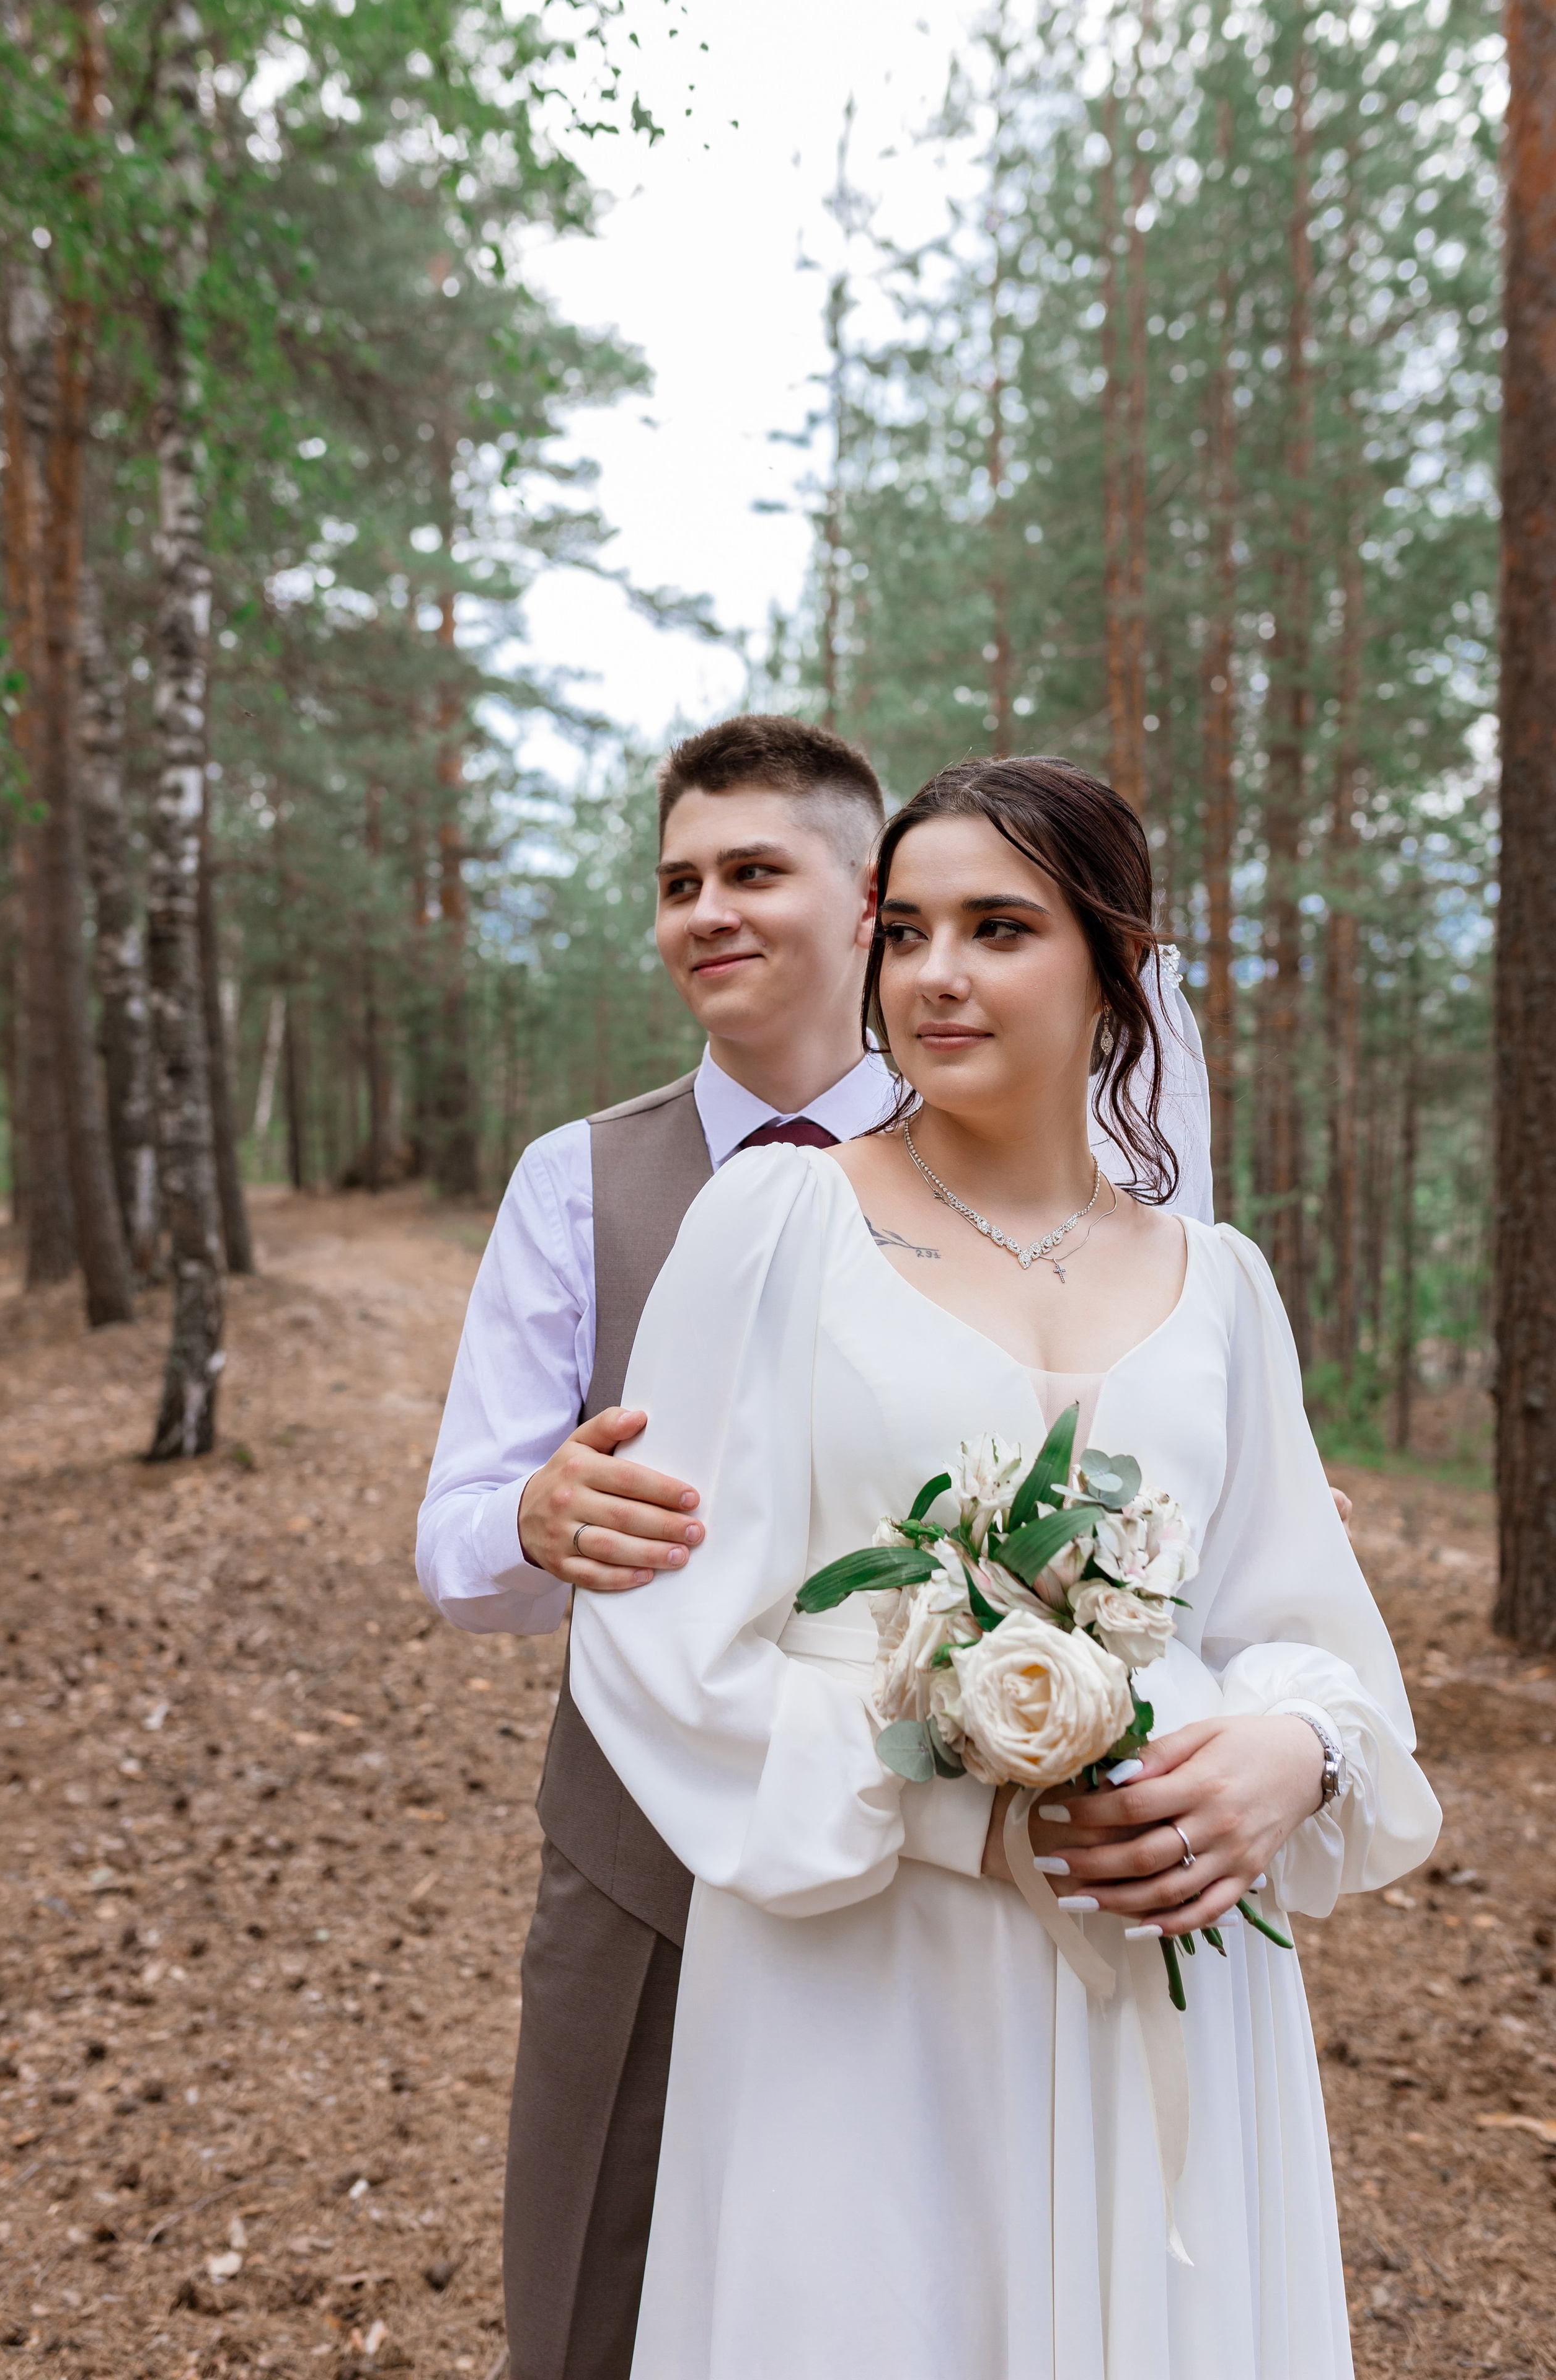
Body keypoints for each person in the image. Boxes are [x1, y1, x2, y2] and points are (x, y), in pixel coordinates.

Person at [568, 756, 1440, 2379]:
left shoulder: (1223, 1283)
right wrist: (963, 1804)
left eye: (999, 928)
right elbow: (661, 1632)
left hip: (1169, 1956)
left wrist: (1289, 1755)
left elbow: (1296, 1622)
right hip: (872, 1954)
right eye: (905, 931)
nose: (937, 974)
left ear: (1112, 967)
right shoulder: (778, 1227)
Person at [417, 719, 1215, 2380]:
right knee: (595, 2298)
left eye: (752, 872)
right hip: (651, 1853)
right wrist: (529, 1517)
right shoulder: (579, 1183)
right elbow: (456, 1543)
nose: (705, 910)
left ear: (868, 906)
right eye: (677, 883)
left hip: (966, 1878)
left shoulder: (1075, 1173)